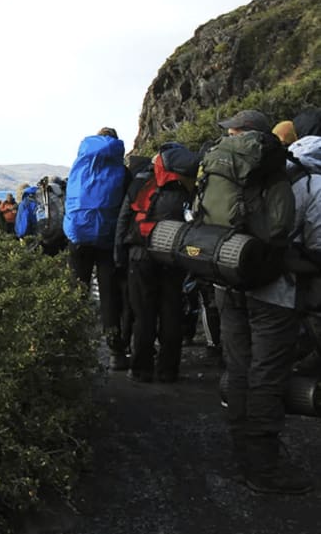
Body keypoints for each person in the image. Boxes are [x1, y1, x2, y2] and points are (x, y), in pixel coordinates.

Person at [214, 109, 313, 494]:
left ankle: (243, 457)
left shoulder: (218, 169)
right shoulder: (301, 179)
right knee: (267, 375)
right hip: (274, 292)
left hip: (226, 281)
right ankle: (264, 470)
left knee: (239, 369)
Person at [114, 143, 198, 383]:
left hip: (140, 254)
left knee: (143, 314)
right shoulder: (187, 186)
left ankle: (141, 369)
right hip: (173, 256)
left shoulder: (142, 181)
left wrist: (119, 255)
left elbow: (124, 218)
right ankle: (168, 370)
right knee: (171, 312)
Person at [65, 127, 130, 369]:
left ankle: (71, 345)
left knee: (77, 290)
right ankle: (116, 351)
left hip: (78, 236)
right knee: (109, 294)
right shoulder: (122, 171)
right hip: (106, 238)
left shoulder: (79, 166)